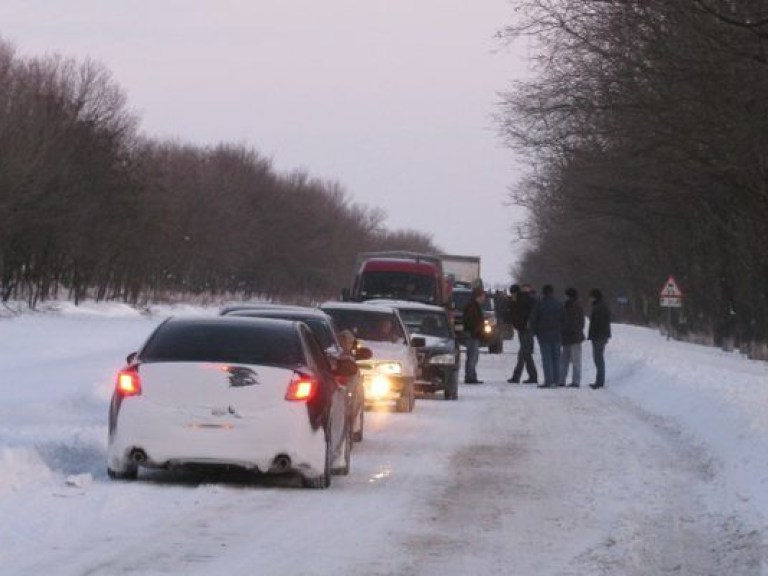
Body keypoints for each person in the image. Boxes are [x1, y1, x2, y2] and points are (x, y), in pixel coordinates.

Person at [529, 284, 565, 388]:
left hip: (543, 335)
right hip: (557, 335)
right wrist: (560, 330)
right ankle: (556, 381)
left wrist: (535, 332)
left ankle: (548, 381)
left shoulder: (539, 304)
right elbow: (564, 319)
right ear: (552, 292)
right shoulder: (559, 304)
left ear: (543, 292)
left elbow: (533, 319)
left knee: (546, 359)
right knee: (556, 358)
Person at [506, 284, 538, 384]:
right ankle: (533, 376)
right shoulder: (515, 301)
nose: (512, 296)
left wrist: (530, 322)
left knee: (523, 354)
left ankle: (517, 376)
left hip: (527, 329)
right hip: (521, 329)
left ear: (516, 293)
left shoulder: (525, 300)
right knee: (526, 354)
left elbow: (534, 310)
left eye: (513, 294)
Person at [559, 287, 585, 387]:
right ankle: (574, 381)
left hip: (570, 337)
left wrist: (565, 330)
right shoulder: (577, 306)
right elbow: (581, 323)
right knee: (574, 360)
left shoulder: (568, 306)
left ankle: (564, 380)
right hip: (574, 337)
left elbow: (571, 322)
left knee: (567, 360)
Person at [587, 288, 611, 389]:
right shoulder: (601, 306)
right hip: (602, 335)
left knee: (598, 359)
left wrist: (594, 334)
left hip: (599, 336)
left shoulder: (598, 307)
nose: (589, 299)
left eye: (591, 297)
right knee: (598, 358)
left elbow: (598, 323)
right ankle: (599, 380)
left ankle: (599, 381)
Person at [462, 286, 486, 384]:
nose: (484, 299)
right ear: (478, 296)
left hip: (474, 334)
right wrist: (477, 329)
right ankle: (470, 376)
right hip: (472, 334)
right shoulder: (472, 307)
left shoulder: (474, 306)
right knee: (472, 356)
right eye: (483, 297)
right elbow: (471, 321)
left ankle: (471, 375)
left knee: (474, 356)